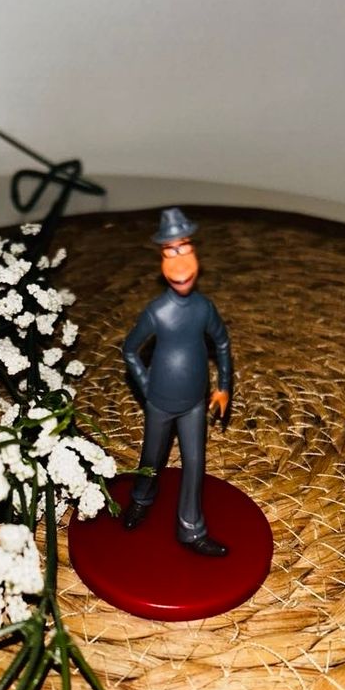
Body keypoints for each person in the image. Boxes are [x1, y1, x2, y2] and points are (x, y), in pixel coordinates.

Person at [122, 207, 231, 556]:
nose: (180, 262)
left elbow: (222, 343)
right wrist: (147, 388)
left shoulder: (204, 308)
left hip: (195, 402)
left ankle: (191, 529)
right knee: (151, 458)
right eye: (170, 252)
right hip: (160, 401)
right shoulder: (157, 312)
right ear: (161, 260)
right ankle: (142, 498)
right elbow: (130, 350)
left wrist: (224, 386)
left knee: (195, 465)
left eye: (185, 249)